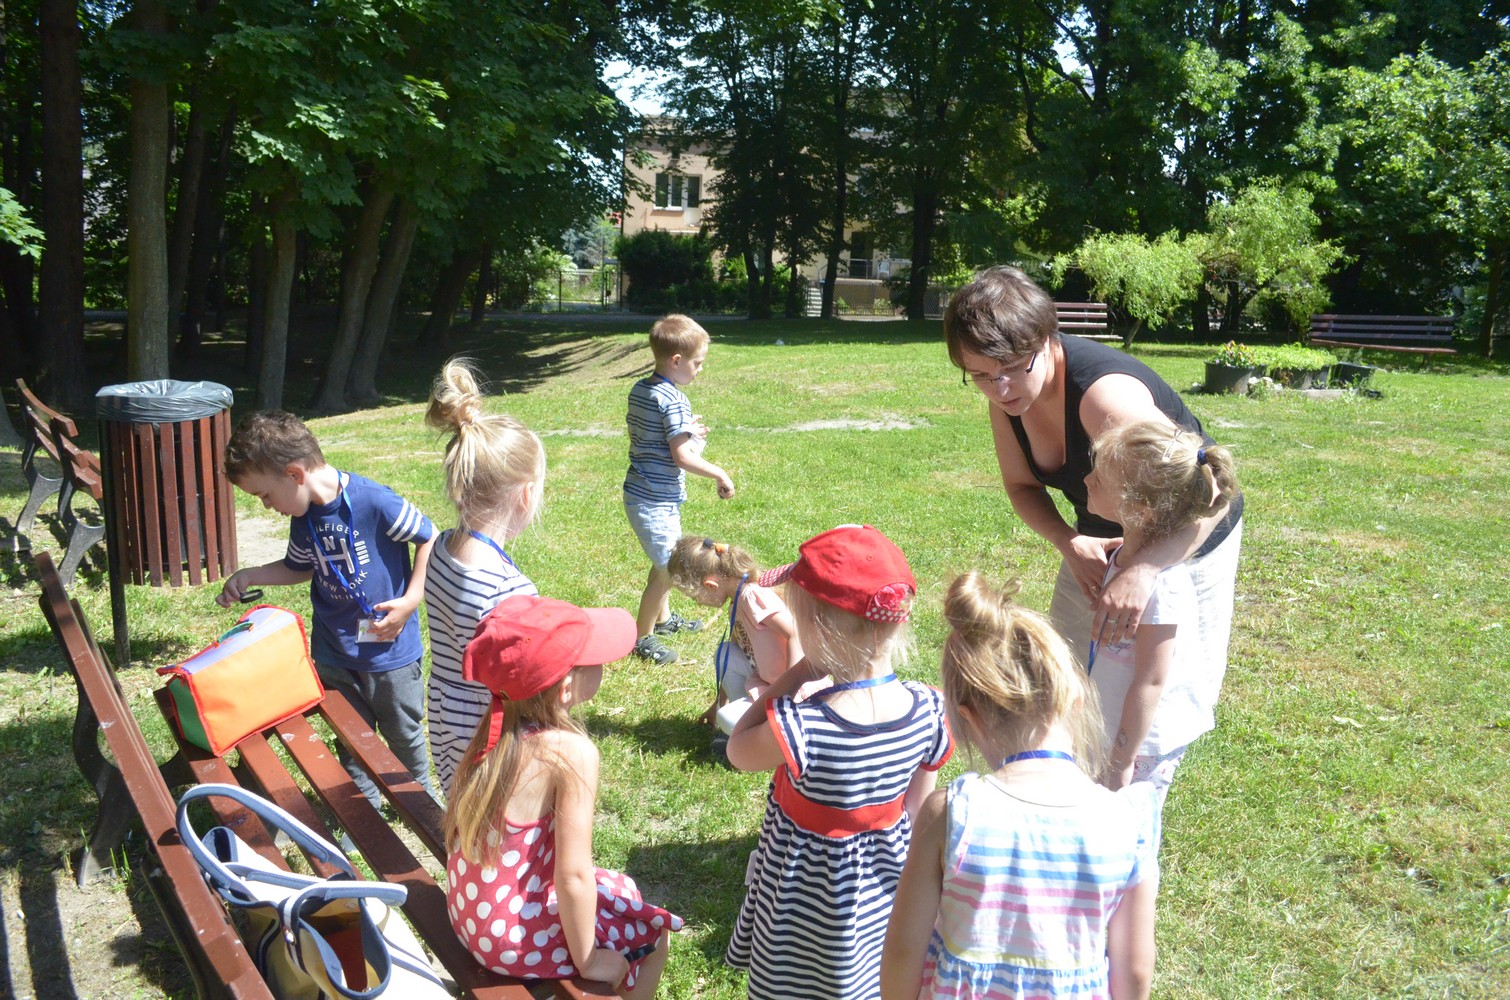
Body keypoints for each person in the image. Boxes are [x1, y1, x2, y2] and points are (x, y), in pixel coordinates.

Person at [942, 266, 1244, 679]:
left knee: (1165, 690)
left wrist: (1145, 568)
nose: (1000, 389)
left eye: (1012, 367)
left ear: (1046, 340)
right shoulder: (1007, 395)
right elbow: (1022, 486)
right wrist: (1068, 542)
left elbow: (1212, 492)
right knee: (1067, 678)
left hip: (1184, 537)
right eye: (980, 375)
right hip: (1103, 540)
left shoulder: (1107, 401)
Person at [881, 571, 1160, 1000]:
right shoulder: (1128, 821)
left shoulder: (952, 814)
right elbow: (1135, 972)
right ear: (1074, 698)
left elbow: (903, 951)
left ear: (967, 719)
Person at [725, 524, 954, 1000]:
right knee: (862, 978)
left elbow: (737, 748)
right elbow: (917, 810)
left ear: (817, 628)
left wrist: (801, 670)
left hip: (800, 901)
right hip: (880, 892)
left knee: (792, 983)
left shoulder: (802, 728)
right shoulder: (930, 710)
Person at [445, 594, 681, 998]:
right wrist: (590, 960)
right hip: (513, 938)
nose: (604, 664)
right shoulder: (571, 754)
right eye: (595, 658)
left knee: (620, 887)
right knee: (653, 931)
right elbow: (573, 876)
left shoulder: (496, 727)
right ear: (567, 688)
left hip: (471, 917)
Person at [218, 410, 439, 804]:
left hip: (389, 652)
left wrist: (411, 600)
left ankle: (421, 801)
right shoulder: (303, 515)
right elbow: (298, 566)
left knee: (403, 733)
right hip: (334, 651)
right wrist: (251, 575)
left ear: (294, 474)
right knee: (350, 736)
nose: (266, 506)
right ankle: (364, 811)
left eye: (264, 495)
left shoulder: (374, 501)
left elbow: (430, 537)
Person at [1082, 419, 1239, 805]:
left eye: (1098, 480)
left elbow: (1150, 682)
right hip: (1114, 726)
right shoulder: (1126, 556)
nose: (1086, 480)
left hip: (1143, 744)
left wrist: (1122, 761)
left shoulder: (1161, 588)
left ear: (1140, 511)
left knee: (1127, 822)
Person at [422, 358, 545, 794]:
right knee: (494, 817)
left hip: (444, 714)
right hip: (489, 729)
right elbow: (521, 684)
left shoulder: (439, 548)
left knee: (462, 807)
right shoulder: (511, 589)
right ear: (526, 495)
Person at [623, 314, 736, 666]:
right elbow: (681, 457)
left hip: (643, 493)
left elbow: (653, 438)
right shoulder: (674, 400)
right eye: (697, 363)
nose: (700, 370)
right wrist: (719, 473)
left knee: (665, 561)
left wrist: (687, 433)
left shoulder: (641, 390)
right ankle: (642, 638)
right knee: (668, 570)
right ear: (676, 360)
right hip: (654, 499)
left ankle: (664, 619)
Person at [666, 535, 803, 735]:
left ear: (710, 585)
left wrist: (788, 692)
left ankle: (766, 732)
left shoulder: (752, 596)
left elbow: (795, 634)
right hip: (767, 683)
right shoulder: (736, 601)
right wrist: (718, 705)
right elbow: (736, 652)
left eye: (695, 597)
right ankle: (746, 724)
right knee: (726, 653)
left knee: (729, 720)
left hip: (794, 693)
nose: (698, 603)